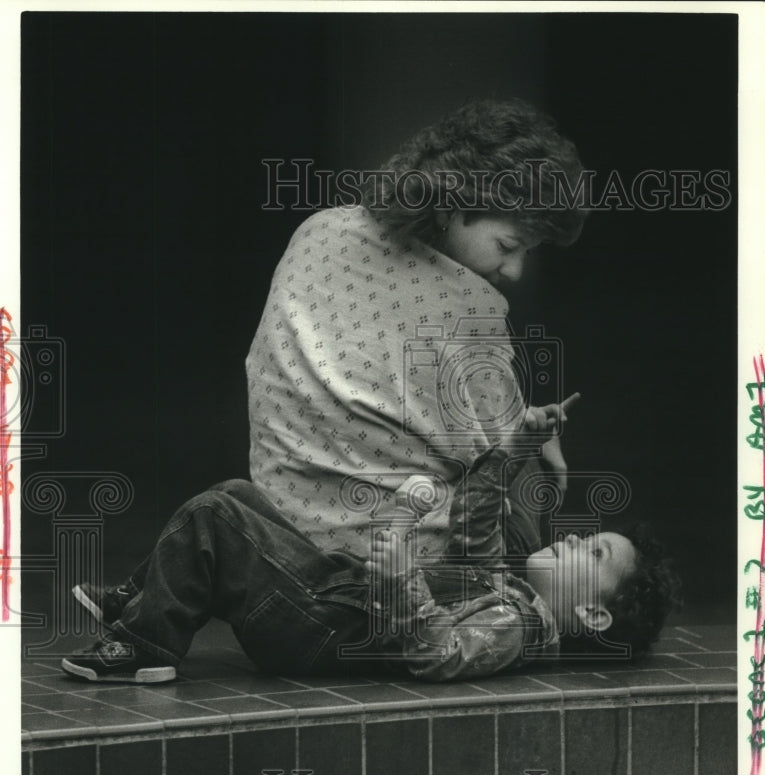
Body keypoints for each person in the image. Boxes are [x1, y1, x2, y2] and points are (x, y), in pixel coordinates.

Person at [60, 411, 680, 685]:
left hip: (321, 629)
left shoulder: (515, 624)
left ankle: (141, 648)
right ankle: (139, 599)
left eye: (593, 555)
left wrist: (404, 578)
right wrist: (518, 445)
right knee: (237, 493)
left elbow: (437, 655)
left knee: (215, 515)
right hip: (333, 601)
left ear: (592, 615)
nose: (572, 539)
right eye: (586, 538)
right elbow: (475, 521)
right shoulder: (510, 590)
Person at [246, 98, 588, 562]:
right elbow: (494, 461)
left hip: (277, 542)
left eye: (529, 251)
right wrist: (530, 437)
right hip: (409, 559)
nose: (515, 270)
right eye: (509, 245)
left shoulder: (319, 230)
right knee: (526, 475)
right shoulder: (472, 305)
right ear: (454, 204)